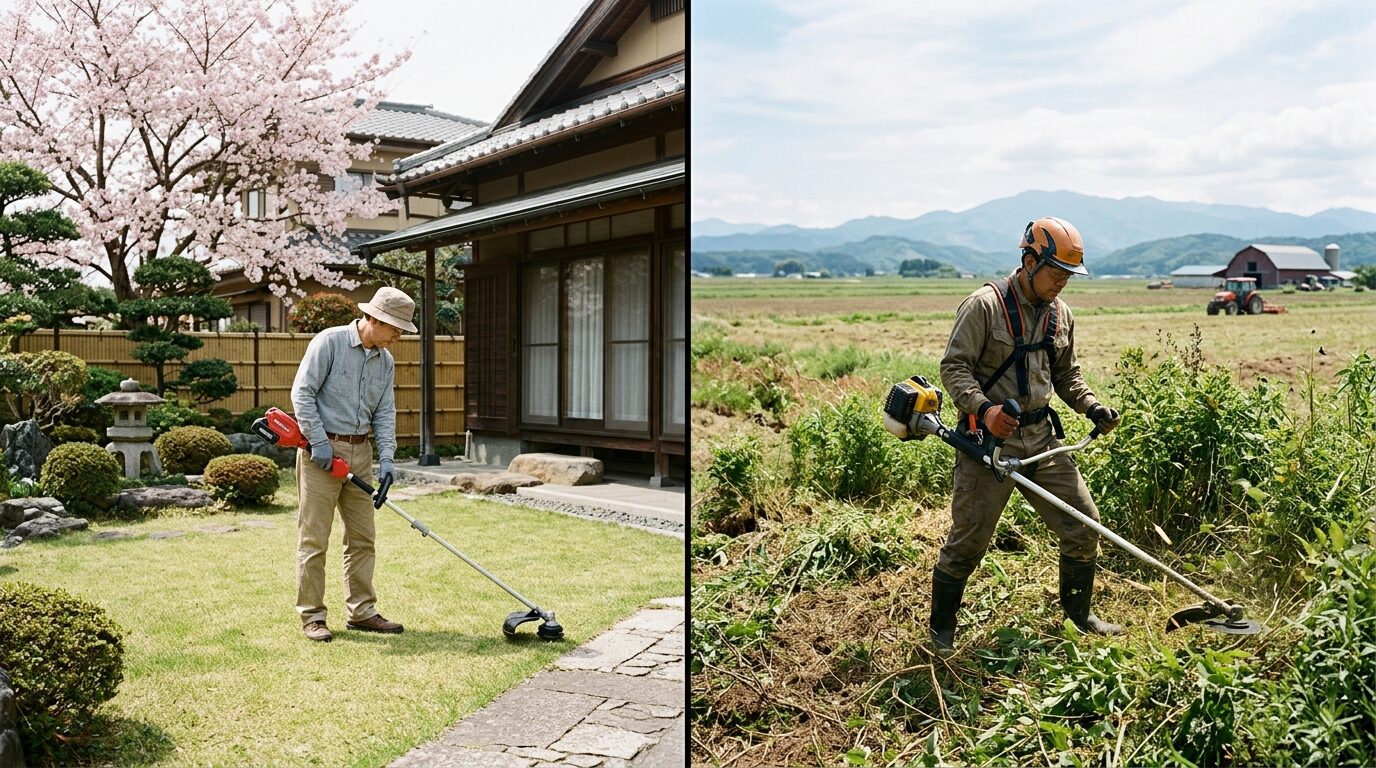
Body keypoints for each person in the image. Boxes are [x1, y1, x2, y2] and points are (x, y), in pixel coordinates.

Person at [930, 216, 1123, 655]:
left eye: (1068, 276)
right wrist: (985, 409)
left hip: (1041, 441)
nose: (1061, 283)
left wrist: (1092, 407)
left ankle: (1079, 617)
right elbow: (954, 368)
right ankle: (941, 631)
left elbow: (1067, 376)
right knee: (968, 543)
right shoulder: (984, 306)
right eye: (1056, 272)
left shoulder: (1061, 314)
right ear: (1030, 260)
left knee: (1083, 526)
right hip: (986, 444)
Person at [290, 286, 417, 642]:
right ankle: (312, 616)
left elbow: (384, 412)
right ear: (374, 319)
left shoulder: (385, 360)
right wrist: (318, 442)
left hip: (360, 456)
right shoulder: (329, 343)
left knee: (363, 539)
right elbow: (302, 393)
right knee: (314, 539)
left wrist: (388, 459)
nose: (397, 337)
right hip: (321, 454)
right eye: (394, 328)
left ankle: (362, 612)